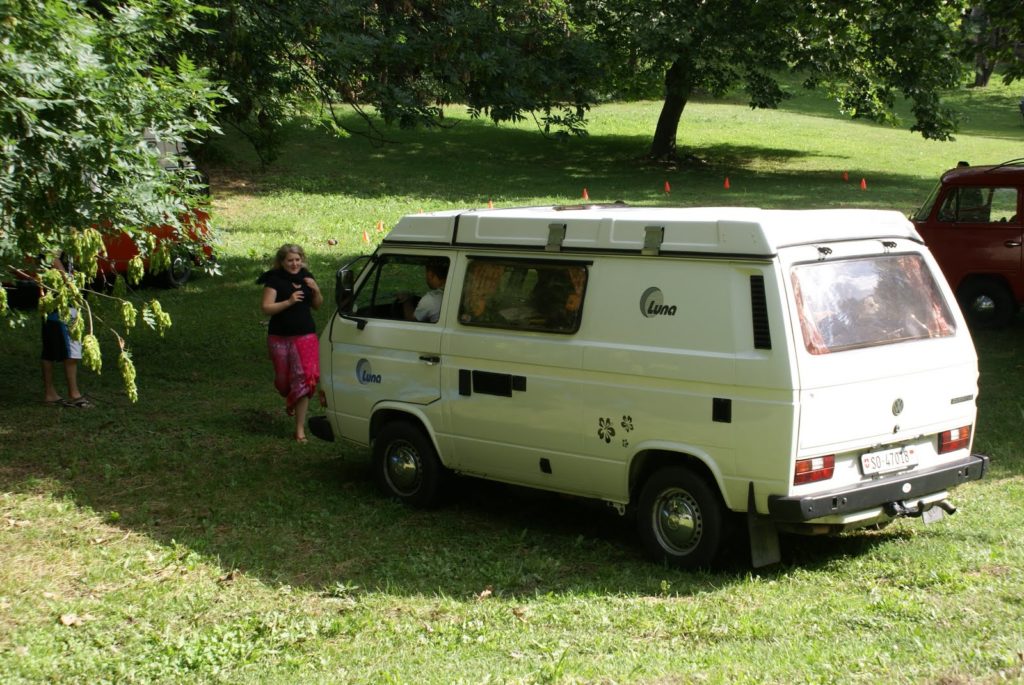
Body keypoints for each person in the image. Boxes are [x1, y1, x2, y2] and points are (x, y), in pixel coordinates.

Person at [258, 244, 323, 442]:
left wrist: (316, 290)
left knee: (304, 379)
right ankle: (291, 397)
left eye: (297, 260)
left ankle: (299, 430)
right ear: (282, 262)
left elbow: (317, 305)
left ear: (302, 260)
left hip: (305, 336)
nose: (294, 264)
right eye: (290, 260)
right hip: (279, 337)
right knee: (284, 383)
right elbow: (266, 308)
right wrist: (289, 301)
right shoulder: (275, 280)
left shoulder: (307, 278)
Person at [40, 253, 91, 408]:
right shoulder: (55, 242)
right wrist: (70, 283)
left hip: (50, 301)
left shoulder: (41, 240)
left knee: (48, 351)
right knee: (72, 349)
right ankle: (74, 395)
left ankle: (50, 394)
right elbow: (52, 257)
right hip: (63, 302)